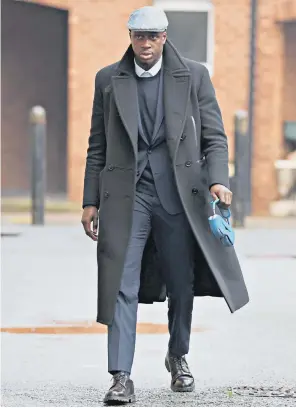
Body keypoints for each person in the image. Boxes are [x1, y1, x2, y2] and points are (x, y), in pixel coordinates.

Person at [81, 6, 249, 404]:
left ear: (164, 37)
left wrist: (218, 181)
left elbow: (215, 137)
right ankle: (120, 375)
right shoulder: (108, 79)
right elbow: (97, 147)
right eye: (139, 36)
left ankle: (178, 356)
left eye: (153, 36)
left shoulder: (193, 75)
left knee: (181, 281)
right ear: (131, 38)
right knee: (121, 279)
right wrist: (90, 201)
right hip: (128, 194)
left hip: (178, 194)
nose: (145, 43)